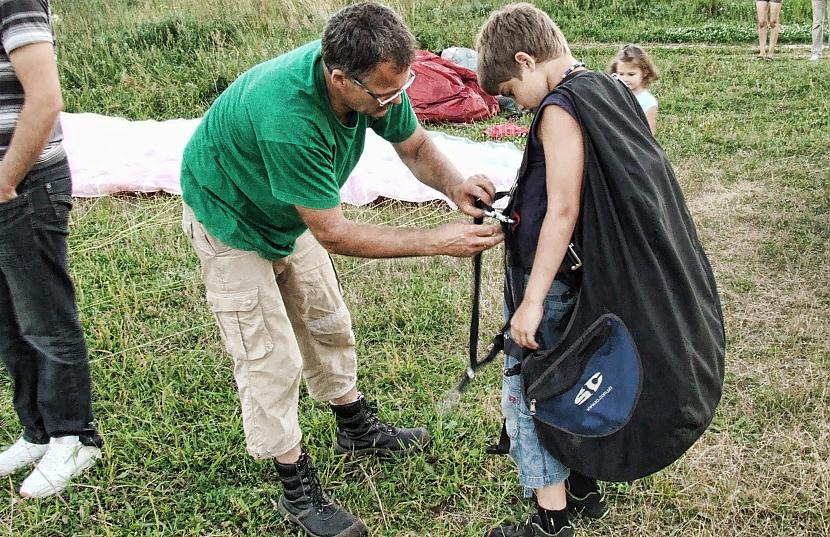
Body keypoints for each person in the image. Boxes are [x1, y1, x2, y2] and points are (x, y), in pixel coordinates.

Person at [179, 3, 502, 537]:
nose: (394, 101)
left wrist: (455, 185)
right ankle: (294, 482)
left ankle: (356, 428)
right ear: (338, 78)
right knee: (267, 353)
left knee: (326, 317)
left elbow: (416, 145)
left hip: (287, 212)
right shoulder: (290, 117)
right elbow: (334, 232)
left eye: (403, 86)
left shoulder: (381, 78)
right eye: (384, 94)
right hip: (229, 214)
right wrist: (434, 242)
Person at [475, 4, 624, 536]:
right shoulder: (604, 89)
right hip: (587, 277)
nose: (517, 104)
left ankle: (550, 519)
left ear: (526, 59)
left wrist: (531, 300)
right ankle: (584, 485)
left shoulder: (560, 108)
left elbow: (564, 208)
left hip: (552, 280)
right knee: (580, 376)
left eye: (514, 92)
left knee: (534, 385)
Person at [0, 0, 103, 498]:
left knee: (45, 318)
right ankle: (37, 431)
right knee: (7, 321)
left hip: (24, 184)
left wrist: (5, 181)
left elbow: (45, 98)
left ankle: (74, 436)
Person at [608, 44, 660, 135]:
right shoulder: (613, 94)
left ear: (645, 72)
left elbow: (649, 133)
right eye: (621, 74)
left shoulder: (648, 101)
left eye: (631, 74)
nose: (625, 79)